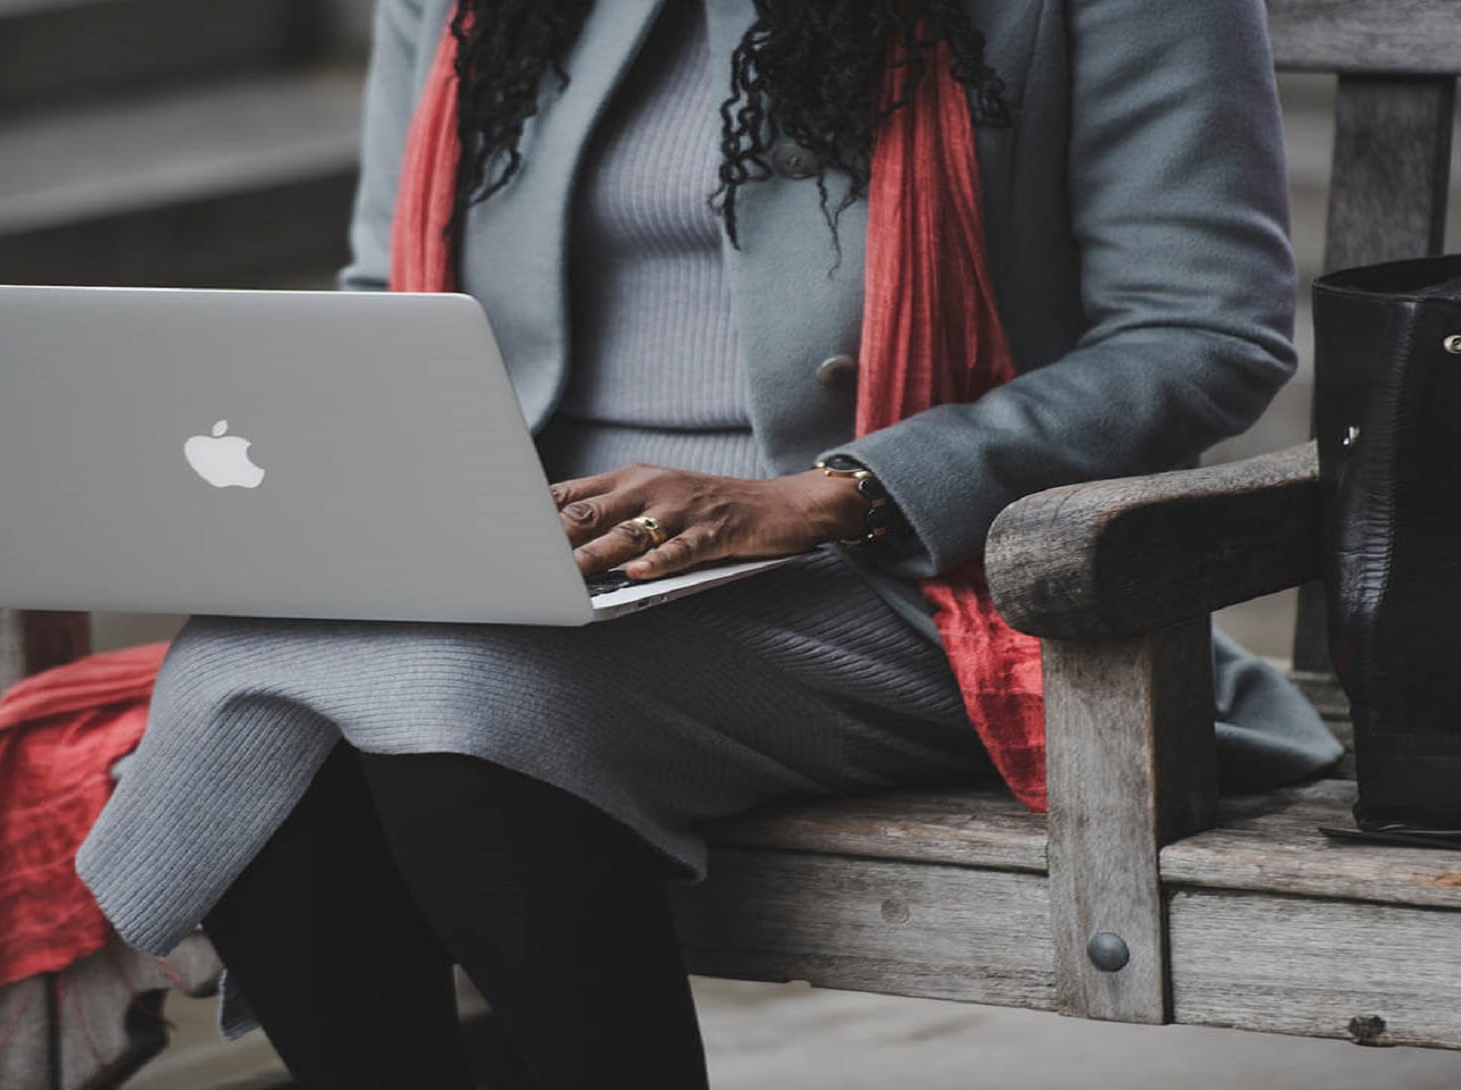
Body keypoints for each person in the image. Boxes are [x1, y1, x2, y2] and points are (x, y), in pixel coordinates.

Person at [74, 0, 1344, 1086]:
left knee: (449, 687)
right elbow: (384, 299)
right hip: (524, 559)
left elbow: (1201, 334)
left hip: (918, 574)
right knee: (252, 677)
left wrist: (838, 491)